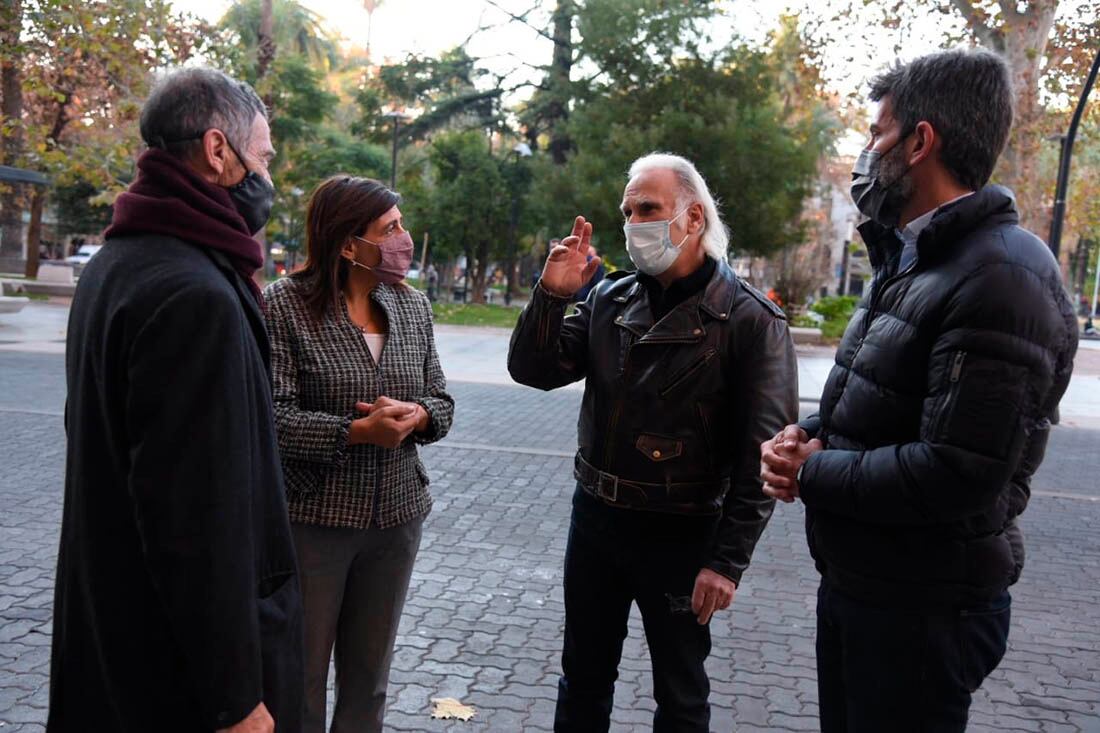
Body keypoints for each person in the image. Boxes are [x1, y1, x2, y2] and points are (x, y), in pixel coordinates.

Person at [759, 49, 1078, 733]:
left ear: (920, 141)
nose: (867, 153)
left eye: (877, 133)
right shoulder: (913, 256)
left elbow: (955, 471)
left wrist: (814, 473)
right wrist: (808, 436)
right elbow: (884, 397)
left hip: (923, 610)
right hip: (869, 586)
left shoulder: (1000, 277)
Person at [49, 68, 302, 733]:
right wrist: (236, 697)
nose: (268, 180)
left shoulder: (118, 262)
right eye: (264, 158)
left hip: (116, 632)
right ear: (219, 152)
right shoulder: (196, 294)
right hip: (178, 677)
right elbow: (196, 519)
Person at [509, 153, 798, 731]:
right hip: (595, 520)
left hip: (683, 531)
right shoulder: (609, 300)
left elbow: (760, 456)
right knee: (582, 679)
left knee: (680, 691)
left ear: (693, 219)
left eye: (649, 209)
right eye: (628, 210)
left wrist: (727, 563)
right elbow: (535, 369)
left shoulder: (748, 320)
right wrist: (550, 295)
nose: (635, 222)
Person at [264, 175, 454, 733]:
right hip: (314, 523)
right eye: (390, 228)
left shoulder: (413, 306)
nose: (405, 238)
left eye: (402, 224)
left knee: (369, 680)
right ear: (348, 244)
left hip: (395, 521)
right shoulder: (285, 305)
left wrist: (420, 416)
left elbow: (441, 399)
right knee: (299, 679)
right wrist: (354, 431)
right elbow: (270, 418)